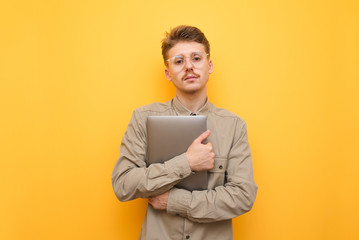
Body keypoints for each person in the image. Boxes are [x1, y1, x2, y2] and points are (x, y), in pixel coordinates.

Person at [111, 25, 257, 240]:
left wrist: (173, 201)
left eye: (196, 58)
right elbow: (123, 184)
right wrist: (186, 163)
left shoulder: (234, 126)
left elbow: (243, 196)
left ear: (209, 65)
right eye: (179, 61)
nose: (189, 66)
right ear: (168, 73)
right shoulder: (142, 118)